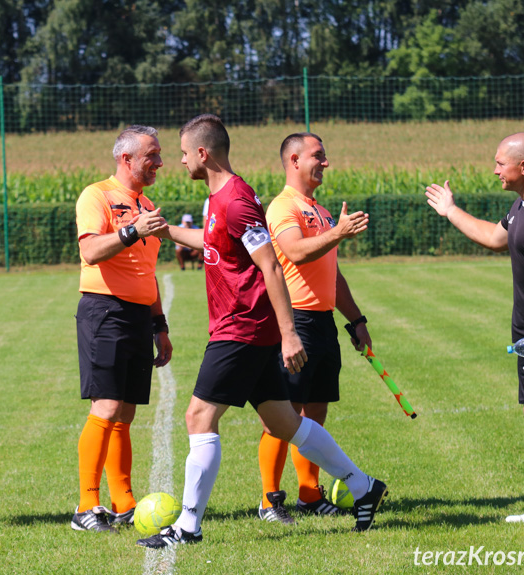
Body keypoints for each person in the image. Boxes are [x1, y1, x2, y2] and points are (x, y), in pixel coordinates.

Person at [137, 114, 387, 548]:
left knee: (199, 416)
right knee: (286, 422)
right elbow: (214, 241)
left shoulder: (236, 199)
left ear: (202, 153)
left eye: (182, 153)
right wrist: (167, 230)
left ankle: (188, 526)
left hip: (243, 327)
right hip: (245, 327)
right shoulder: (218, 200)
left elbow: (270, 264)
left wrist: (289, 334)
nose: (179, 162)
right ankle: (364, 487)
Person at [426, 132, 524, 523]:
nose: (494, 169)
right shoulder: (519, 207)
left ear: (523, 167)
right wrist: (451, 211)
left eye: (500, 163)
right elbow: (494, 238)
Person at [257, 132, 371, 522]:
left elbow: (332, 275)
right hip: (294, 321)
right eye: (317, 156)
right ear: (293, 159)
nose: (325, 162)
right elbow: (294, 252)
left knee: (316, 412)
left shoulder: (320, 211)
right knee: (281, 414)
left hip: (323, 323)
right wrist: (337, 232)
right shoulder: (282, 207)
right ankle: (269, 500)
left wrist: (356, 319)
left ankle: (309, 494)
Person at [72, 125, 174, 533]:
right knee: (107, 407)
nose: (160, 162)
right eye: (152, 155)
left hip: (137, 316)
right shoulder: (96, 195)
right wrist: (133, 230)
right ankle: (85, 507)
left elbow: (147, 274)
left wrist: (159, 325)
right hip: (104, 311)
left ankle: (122, 502)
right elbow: (91, 250)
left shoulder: (146, 203)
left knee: (126, 413)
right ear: (126, 158)